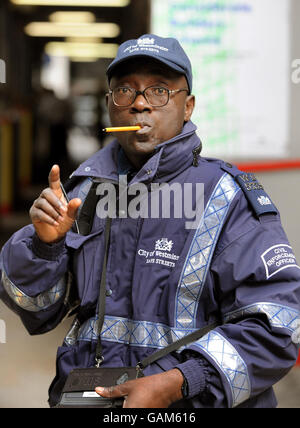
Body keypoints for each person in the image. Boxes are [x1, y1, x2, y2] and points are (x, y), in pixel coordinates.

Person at [0, 34, 300, 409]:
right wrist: (46, 246)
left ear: (187, 106)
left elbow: (279, 327)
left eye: (159, 91)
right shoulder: (85, 193)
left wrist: (180, 382)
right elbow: (35, 309)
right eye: (125, 90)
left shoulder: (229, 199)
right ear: (110, 105)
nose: (140, 103)